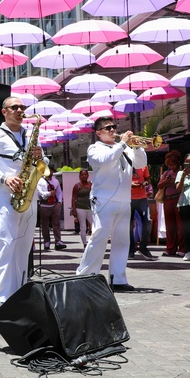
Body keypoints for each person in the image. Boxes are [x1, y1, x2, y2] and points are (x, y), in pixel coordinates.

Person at [0, 97, 46, 310]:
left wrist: (40, 156)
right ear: (4, 111)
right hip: (6, 193)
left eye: (22, 107)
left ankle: (19, 291)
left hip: (29, 193)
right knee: (6, 242)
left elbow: (44, 164)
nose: (19, 110)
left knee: (24, 245)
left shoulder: (29, 135)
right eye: (14, 107)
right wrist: (4, 178)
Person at [76, 117, 147, 292]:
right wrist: (122, 144)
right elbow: (106, 159)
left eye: (114, 127)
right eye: (108, 128)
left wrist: (137, 147)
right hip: (103, 199)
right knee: (99, 237)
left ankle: (118, 279)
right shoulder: (95, 148)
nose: (113, 130)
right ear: (98, 133)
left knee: (122, 241)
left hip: (124, 200)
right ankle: (86, 276)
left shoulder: (123, 148)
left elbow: (141, 164)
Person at [158, 151, 183, 256]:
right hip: (168, 199)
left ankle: (182, 248)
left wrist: (174, 182)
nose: (171, 166)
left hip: (178, 199)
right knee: (170, 225)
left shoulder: (181, 172)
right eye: (169, 165)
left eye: (173, 164)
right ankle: (170, 248)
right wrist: (165, 182)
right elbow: (159, 185)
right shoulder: (166, 173)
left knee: (181, 225)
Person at [128, 164, 155, 260]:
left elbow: (147, 179)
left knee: (147, 222)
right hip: (128, 198)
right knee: (129, 225)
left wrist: (145, 183)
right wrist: (130, 184)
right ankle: (130, 250)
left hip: (142, 198)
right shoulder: (125, 163)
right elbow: (118, 179)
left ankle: (143, 248)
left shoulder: (143, 165)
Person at [39, 171, 66, 250]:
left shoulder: (56, 181)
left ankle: (58, 241)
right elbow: (40, 193)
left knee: (56, 223)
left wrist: (60, 202)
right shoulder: (40, 181)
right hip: (44, 205)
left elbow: (59, 192)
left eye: (51, 171)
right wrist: (50, 193)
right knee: (45, 225)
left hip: (55, 205)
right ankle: (46, 241)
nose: (50, 173)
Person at [71, 169, 94, 248]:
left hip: (90, 208)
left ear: (88, 175)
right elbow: (73, 198)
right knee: (83, 227)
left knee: (94, 225)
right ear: (79, 176)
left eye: (85, 174)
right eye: (82, 175)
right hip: (80, 208)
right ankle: (85, 243)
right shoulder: (77, 186)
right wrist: (74, 209)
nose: (84, 176)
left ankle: (93, 242)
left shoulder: (91, 185)